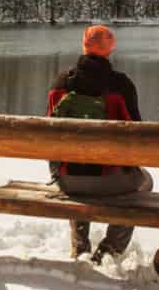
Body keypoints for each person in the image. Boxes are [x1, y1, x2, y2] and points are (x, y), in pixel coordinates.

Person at [46, 24, 152, 261]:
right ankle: (108, 252)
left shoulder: (60, 84)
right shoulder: (121, 85)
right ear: (110, 48)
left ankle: (80, 245)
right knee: (145, 183)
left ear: (84, 46)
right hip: (113, 181)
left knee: (75, 164)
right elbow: (138, 136)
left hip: (68, 180)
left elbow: (50, 135)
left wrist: (57, 170)